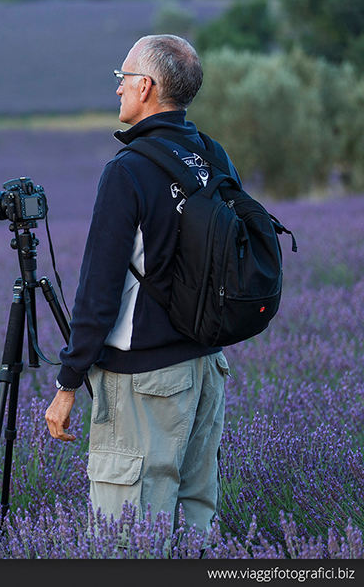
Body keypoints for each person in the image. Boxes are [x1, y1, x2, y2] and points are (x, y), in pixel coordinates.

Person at [44, 34, 234, 533]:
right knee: (195, 521)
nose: (118, 90)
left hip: (143, 381)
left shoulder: (129, 171)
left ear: (145, 86)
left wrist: (67, 383)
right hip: (206, 368)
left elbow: (98, 291)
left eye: (122, 79)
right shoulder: (212, 157)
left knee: (125, 535)